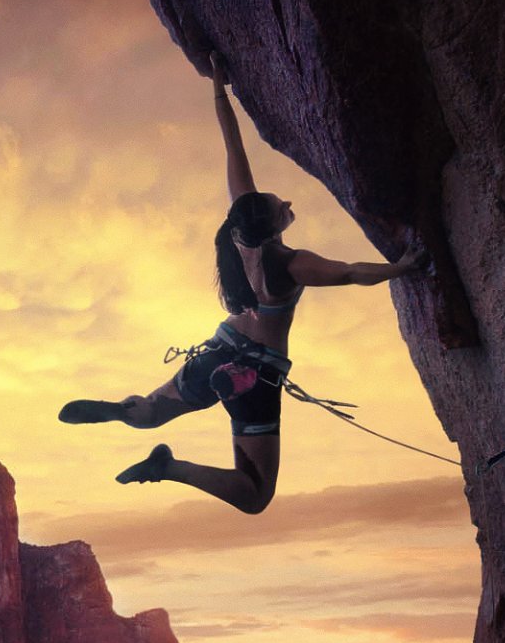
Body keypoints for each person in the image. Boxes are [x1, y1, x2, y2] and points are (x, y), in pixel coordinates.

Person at [58, 54, 425, 514]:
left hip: (220, 349)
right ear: (272, 227)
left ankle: (124, 410)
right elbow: (353, 272)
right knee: (254, 495)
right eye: (281, 207)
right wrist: (404, 266)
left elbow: (233, 146)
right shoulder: (291, 263)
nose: (287, 202)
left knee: (153, 412)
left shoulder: (237, 232)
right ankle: (169, 468)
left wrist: (219, 84)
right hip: (253, 376)